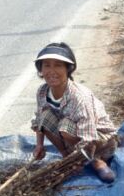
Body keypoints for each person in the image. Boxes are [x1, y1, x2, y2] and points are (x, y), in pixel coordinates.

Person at [30, 42, 118, 183]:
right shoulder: (42, 91)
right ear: (40, 69)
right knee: (44, 117)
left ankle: (96, 161)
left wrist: (81, 158)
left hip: (99, 139)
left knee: (64, 126)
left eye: (58, 65)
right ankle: (66, 156)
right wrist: (39, 145)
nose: (51, 71)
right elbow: (39, 119)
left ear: (68, 69)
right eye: (47, 65)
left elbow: (88, 137)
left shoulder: (79, 97)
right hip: (72, 137)